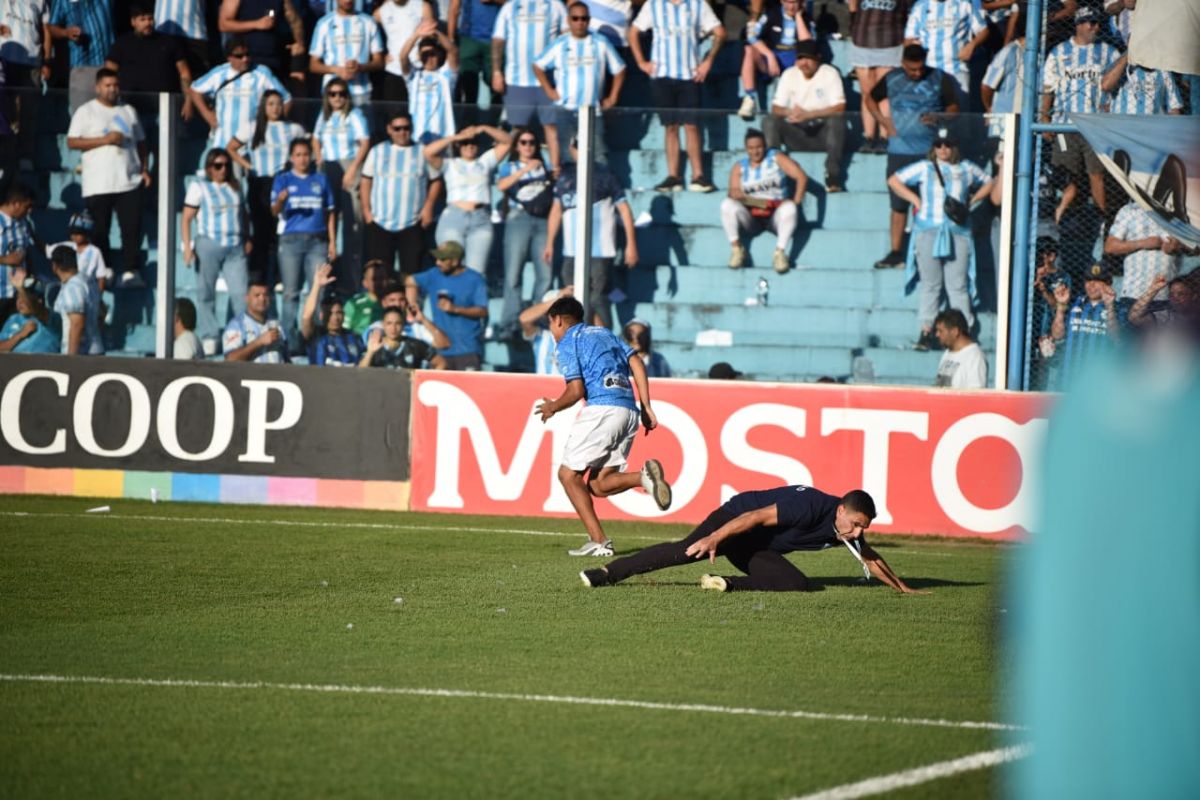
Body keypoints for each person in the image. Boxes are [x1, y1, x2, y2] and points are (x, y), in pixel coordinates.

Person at [579, 486, 927, 594]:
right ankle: (607, 573)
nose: (857, 533)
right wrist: (714, 537)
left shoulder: (846, 531)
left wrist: (901, 587)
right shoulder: (809, 506)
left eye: (862, 528)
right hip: (734, 520)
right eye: (855, 524)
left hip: (755, 546)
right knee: (685, 553)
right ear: (840, 510)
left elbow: (870, 557)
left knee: (798, 583)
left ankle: (726, 583)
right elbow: (753, 518)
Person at [534, 295, 672, 557]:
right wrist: (646, 405)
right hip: (628, 410)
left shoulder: (567, 342)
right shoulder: (606, 333)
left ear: (558, 320)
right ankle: (643, 477)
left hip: (601, 409)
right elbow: (637, 362)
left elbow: (575, 391)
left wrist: (553, 406)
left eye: (551, 325)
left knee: (568, 475)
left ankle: (599, 540)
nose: (552, 331)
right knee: (598, 484)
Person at [887, 128, 993, 350]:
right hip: (928, 229)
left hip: (958, 231)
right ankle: (927, 331)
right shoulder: (925, 167)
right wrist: (915, 200)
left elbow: (989, 182)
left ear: (954, 146)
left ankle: (964, 332)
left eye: (947, 144)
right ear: (933, 147)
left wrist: (971, 201)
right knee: (931, 284)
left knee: (957, 286)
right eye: (938, 145)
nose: (943, 149)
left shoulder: (966, 168)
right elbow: (895, 180)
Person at [864, 43, 959, 269]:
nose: (916, 73)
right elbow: (870, 99)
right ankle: (896, 251)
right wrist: (884, 121)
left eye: (919, 69)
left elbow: (954, 107)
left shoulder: (939, 78)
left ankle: (928, 250)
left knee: (929, 201)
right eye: (911, 69)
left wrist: (939, 116)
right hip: (899, 151)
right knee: (898, 205)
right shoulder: (892, 78)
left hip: (929, 152)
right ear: (903, 64)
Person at [66, 68, 151, 287]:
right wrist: (104, 140)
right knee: (100, 229)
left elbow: (141, 142)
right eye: (107, 85)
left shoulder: (128, 111)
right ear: (98, 88)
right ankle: (106, 269)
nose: (112, 89)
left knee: (131, 228)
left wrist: (144, 168)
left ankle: (132, 270)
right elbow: (73, 141)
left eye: (115, 85)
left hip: (128, 179)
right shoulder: (86, 112)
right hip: (98, 182)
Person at [629, 0, 724, 193]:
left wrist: (708, 61)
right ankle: (674, 176)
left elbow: (720, 32)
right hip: (662, 75)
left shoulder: (698, 4)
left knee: (691, 125)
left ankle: (698, 175)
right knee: (670, 127)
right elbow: (633, 32)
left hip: (689, 74)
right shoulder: (654, 5)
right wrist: (641, 62)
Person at [544, 137, 638, 327]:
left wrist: (631, 244)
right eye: (576, 147)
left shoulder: (605, 174)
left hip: (600, 249)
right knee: (572, 297)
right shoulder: (565, 176)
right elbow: (556, 210)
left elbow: (624, 210)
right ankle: (576, 341)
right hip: (571, 249)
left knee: (597, 298)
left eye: (584, 147)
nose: (580, 151)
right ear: (571, 149)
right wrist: (549, 243)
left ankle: (605, 344)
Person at [1040, 7, 1119, 219]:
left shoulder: (1109, 53)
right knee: (1066, 176)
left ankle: (1102, 222)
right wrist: (1044, 116)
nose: (1095, 27)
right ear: (1078, 25)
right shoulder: (1058, 53)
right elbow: (1048, 88)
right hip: (1065, 126)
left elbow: (1120, 86)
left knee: (1097, 175)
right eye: (1090, 22)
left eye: (1097, 23)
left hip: (1096, 127)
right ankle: (1063, 221)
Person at [532, 2, 626, 167]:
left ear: (589, 20)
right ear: (568, 20)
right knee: (567, 156)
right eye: (575, 18)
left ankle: (600, 191)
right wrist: (549, 89)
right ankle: (570, 191)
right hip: (566, 109)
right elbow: (538, 65)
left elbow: (620, 69)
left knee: (598, 155)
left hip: (592, 110)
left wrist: (614, 96)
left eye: (584, 18)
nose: (580, 22)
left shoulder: (600, 42)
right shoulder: (560, 43)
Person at [228, 90, 304, 286]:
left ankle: (280, 275)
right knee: (261, 229)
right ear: (264, 106)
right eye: (271, 104)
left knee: (281, 229)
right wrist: (247, 166)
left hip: (282, 182)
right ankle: (257, 276)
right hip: (259, 182)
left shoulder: (292, 129)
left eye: (279, 104)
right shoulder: (252, 127)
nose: (275, 108)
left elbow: (305, 149)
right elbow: (231, 147)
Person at [271, 137, 339, 345]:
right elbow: (273, 211)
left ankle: (314, 338)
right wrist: (281, 201)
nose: (302, 159)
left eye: (305, 155)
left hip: (317, 241)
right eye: (298, 155)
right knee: (290, 292)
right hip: (291, 240)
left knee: (318, 289)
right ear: (291, 158)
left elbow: (330, 212)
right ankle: (289, 342)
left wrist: (332, 241)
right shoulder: (283, 179)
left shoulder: (321, 180)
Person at [183, 148, 252, 347]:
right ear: (209, 168)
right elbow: (187, 218)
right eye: (217, 166)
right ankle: (210, 335)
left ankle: (238, 333)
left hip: (235, 246)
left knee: (239, 293)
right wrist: (188, 247)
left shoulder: (237, 187)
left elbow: (244, 215)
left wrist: (248, 236)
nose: (222, 170)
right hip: (209, 243)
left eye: (226, 166)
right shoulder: (200, 187)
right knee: (206, 292)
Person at [361, 111, 444, 276]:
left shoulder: (422, 152)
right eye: (397, 128)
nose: (402, 132)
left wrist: (428, 207)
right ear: (389, 129)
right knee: (381, 275)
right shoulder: (377, 151)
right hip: (380, 222)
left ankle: (411, 302)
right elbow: (366, 180)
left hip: (411, 223)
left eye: (406, 128)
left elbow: (436, 181)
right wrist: (366, 211)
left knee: (411, 275)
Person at [490, 0, 568, 173]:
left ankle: (555, 171)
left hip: (548, 81)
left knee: (551, 127)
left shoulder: (556, 6)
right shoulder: (510, 7)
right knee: (517, 128)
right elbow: (498, 41)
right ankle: (510, 170)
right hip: (517, 80)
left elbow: (567, 39)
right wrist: (496, 71)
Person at [424, 124, 511, 275]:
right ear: (459, 145)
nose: (469, 146)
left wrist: (483, 128)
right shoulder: (450, 164)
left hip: (480, 219)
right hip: (454, 217)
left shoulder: (484, 162)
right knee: (450, 266)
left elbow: (507, 141)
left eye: (473, 142)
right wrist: (456, 137)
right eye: (465, 143)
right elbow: (427, 152)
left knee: (475, 273)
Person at [190, 37, 292, 163]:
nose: (245, 59)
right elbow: (195, 89)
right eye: (239, 56)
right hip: (222, 142)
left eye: (248, 54)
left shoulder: (261, 73)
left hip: (250, 146)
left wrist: (272, 126)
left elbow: (286, 99)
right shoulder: (219, 73)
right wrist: (207, 114)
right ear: (229, 57)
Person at [764, 40, 847, 193]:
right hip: (797, 132)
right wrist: (792, 113)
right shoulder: (789, 74)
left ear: (818, 58)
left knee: (838, 120)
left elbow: (840, 107)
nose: (804, 63)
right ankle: (773, 170)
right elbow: (776, 108)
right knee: (770, 120)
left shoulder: (829, 73)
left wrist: (810, 114)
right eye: (800, 58)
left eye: (808, 58)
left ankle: (833, 175)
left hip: (823, 134)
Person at [720, 128, 807, 273]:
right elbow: (734, 194)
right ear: (746, 149)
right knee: (726, 205)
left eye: (759, 147)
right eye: (751, 148)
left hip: (775, 215)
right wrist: (759, 203)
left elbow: (801, 177)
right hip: (752, 217)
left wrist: (796, 203)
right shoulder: (739, 166)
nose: (755, 152)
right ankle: (736, 249)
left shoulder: (776, 158)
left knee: (790, 208)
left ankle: (779, 253)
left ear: (765, 146)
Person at [496, 127, 554, 341]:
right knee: (513, 273)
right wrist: (525, 169)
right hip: (518, 217)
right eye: (523, 142)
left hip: (543, 218)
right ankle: (510, 323)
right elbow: (501, 185)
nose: (528, 146)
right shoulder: (509, 166)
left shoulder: (545, 164)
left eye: (532, 142)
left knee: (545, 273)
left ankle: (537, 318)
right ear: (517, 146)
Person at [312, 78, 370, 286]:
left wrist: (353, 169)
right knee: (328, 217)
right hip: (328, 166)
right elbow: (315, 138)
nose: (337, 98)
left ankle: (352, 278)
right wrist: (319, 160)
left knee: (352, 224)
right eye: (333, 94)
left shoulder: (354, 115)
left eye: (341, 94)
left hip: (348, 165)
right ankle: (328, 273)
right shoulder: (324, 115)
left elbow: (365, 141)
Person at [104, 4, 196, 122]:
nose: (147, 23)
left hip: (165, 109)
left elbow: (184, 73)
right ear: (133, 22)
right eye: (142, 19)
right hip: (130, 109)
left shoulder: (169, 43)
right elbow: (109, 74)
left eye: (150, 19)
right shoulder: (122, 44)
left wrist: (188, 101)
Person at [405, 239, 488, 369]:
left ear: (455, 261)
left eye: (442, 259)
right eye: (437, 259)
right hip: (440, 349)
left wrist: (455, 309)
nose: (438, 263)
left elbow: (483, 311)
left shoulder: (475, 279)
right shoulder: (433, 274)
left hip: (467, 349)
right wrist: (412, 304)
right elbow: (410, 281)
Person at [847, 0, 910, 154]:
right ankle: (868, 137)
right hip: (862, 39)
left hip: (890, 41)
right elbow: (853, 7)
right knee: (867, 93)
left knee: (884, 93)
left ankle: (884, 136)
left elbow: (906, 13)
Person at [1104, 200, 1191, 305]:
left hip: (1166, 295)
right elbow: (1110, 247)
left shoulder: (1177, 209)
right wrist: (1143, 243)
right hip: (1134, 292)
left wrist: (1177, 246)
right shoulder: (1129, 210)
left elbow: (1194, 246)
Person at [737, 0, 812, 120]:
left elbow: (807, 43)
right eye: (788, 2)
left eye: (794, 3)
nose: (791, 6)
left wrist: (798, 17)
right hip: (772, 61)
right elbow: (751, 36)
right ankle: (749, 98)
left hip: (794, 64)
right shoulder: (772, 15)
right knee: (749, 50)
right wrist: (769, 55)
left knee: (807, 58)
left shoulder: (806, 19)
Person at [1050, 261, 1119, 389]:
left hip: (1098, 383)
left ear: (1108, 284)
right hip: (1067, 378)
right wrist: (1060, 307)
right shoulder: (1073, 303)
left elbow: (1116, 337)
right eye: (1088, 280)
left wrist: (1110, 307)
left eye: (1098, 281)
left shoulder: (1117, 308)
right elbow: (1057, 335)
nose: (1091, 285)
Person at [903, 0, 988, 101]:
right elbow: (909, 39)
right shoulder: (920, 6)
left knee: (960, 112)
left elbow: (984, 31)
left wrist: (971, 46)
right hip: (929, 71)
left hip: (957, 69)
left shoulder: (963, 4)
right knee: (932, 111)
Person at [0, 0, 49, 171]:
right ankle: (5, 156)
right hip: (5, 59)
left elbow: (45, 30)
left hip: (32, 61)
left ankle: (25, 156)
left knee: (29, 110)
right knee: (5, 110)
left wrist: (46, 60)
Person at [309, 0, 385, 106]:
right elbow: (313, 65)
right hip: (333, 93)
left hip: (361, 91)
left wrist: (360, 68)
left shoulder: (369, 22)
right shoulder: (324, 24)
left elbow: (379, 62)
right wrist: (337, 70)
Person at [47, 0, 115, 113]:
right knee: (81, 115)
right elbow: (52, 27)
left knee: (109, 115)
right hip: (81, 66)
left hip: (108, 65)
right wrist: (66, 32)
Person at [217, 0, 307, 83]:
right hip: (246, 58)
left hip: (274, 59)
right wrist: (256, 24)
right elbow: (224, 24)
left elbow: (294, 20)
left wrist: (299, 43)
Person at [400, 22, 459, 144]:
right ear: (419, 56)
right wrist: (417, 35)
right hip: (417, 137)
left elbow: (453, 51)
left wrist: (435, 33)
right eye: (425, 55)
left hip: (443, 137)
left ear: (438, 55)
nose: (429, 58)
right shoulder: (414, 76)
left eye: (432, 54)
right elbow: (403, 57)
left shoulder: (446, 76)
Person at [300, 263, 364, 365]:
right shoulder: (316, 334)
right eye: (330, 313)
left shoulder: (354, 337)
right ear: (321, 315)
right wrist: (317, 285)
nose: (335, 317)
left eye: (338, 312)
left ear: (343, 315)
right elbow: (306, 315)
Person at [447, 0, 503, 119]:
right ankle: (468, 125)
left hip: (495, 38)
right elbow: (454, 7)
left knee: (496, 84)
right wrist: (451, 40)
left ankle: (494, 125)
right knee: (468, 84)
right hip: (468, 37)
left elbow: (514, 3)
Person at [375, 0, 436, 103]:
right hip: (394, 69)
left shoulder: (423, 6)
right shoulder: (381, 11)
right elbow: (370, 34)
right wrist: (383, 54)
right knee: (397, 117)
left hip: (418, 69)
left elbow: (432, 34)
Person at [50, 245, 104, 355]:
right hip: (96, 348)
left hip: (81, 354)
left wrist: (71, 358)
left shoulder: (72, 286)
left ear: (55, 265)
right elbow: (102, 312)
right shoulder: (89, 281)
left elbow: (77, 323)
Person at [44, 210, 111, 294]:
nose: (74, 236)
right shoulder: (66, 246)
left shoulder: (95, 252)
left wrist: (98, 297)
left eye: (78, 233)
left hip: (86, 292)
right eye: (72, 232)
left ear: (87, 233)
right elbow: (47, 250)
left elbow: (101, 277)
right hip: (67, 292)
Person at [223, 280, 288, 363]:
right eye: (257, 295)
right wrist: (259, 342)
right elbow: (230, 360)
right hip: (251, 375)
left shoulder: (277, 325)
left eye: (265, 295)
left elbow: (287, 359)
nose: (262, 299)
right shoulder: (236, 326)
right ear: (247, 298)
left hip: (277, 375)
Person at [1101, 53, 1184, 116]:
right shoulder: (1120, 67)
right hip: (1122, 129)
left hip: (1151, 130)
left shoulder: (1162, 71)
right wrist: (1127, 55)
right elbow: (1105, 85)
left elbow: (1174, 108)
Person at [0, 182, 36, 322]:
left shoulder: (23, 223)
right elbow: (11, 258)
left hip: (18, 292)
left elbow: (26, 251)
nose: (29, 211)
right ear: (15, 204)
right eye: (26, 207)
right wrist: (4, 260)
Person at [360, 304, 439, 368]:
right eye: (389, 323)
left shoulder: (415, 345)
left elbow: (441, 363)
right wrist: (370, 352)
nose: (393, 328)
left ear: (403, 325)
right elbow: (359, 374)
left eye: (398, 323)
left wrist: (423, 380)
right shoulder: (375, 346)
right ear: (383, 325)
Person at [519, 285, 572, 374]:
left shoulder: (577, 336)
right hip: (543, 386)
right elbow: (524, 319)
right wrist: (558, 298)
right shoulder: (541, 335)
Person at [0, 276, 59, 353]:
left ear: (39, 300)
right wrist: (20, 335)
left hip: (43, 363)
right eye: (18, 297)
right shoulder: (14, 318)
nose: (20, 301)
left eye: (24, 297)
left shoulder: (51, 318)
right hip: (14, 363)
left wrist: (21, 289)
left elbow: (39, 310)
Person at [932, 308, 986, 388]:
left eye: (940, 331)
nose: (937, 335)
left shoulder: (975, 357)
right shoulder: (947, 353)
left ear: (955, 331)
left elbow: (976, 395)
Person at [342, 258, 385, 334]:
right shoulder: (354, 304)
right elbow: (344, 331)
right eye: (374, 279)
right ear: (365, 283)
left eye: (382, 278)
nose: (378, 282)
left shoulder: (395, 302)